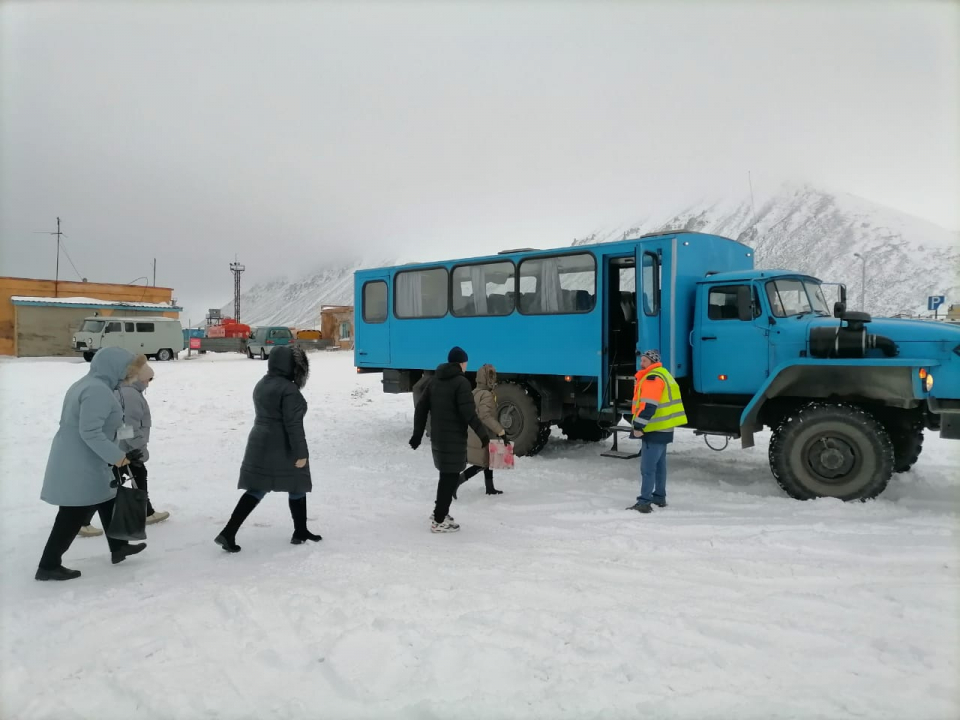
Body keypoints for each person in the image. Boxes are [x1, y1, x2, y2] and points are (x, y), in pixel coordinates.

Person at [36, 348, 149, 581]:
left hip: (84, 457)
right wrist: (118, 457)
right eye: (129, 369)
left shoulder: (91, 384)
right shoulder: (97, 391)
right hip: (81, 461)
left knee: (107, 499)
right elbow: (90, 432)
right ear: (115, 367)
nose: (132, 374)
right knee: (73, 513)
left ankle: (119, 548)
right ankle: (48, 565)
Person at [215, 345, 321, 552]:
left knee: (263, 486)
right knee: (295, 481)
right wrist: (301, 453)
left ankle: (230, 532)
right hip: (281, 444)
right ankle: (230, 532)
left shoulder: (263, 383)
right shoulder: (288, 389)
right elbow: (293, 425)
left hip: (260, 440)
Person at [410, 346, 490, 533]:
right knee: (449, 477)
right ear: (461, 363)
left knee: (445, 475)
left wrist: (417, 434)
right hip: (453, 438)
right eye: (465, 362)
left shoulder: (435, 380)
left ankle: (440, 512)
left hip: (438, 438)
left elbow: (421, 408)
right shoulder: (461, 383)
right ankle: (439, 520)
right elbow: (469, 413)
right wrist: (484, 436)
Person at [626, 349, 688, 514]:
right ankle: (659, 497)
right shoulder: (664, 374)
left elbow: (649, 406)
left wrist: (639, 426)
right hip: (664, 427)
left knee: (647, 468)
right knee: (660, 466)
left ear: (652, 362)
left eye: (644, 361)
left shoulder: (652, 378)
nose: (641, 363)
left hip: (653, 428)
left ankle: (644, 502)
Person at [456, 363, 508, 497]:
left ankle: (489, 487)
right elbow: (485, 416)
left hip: (475, 432)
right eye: (491, 376)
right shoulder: (487, 395)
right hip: (484, 433)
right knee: (481, 463)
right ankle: (457, 482)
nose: (493, 379)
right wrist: (500, 431)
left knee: (488, 460)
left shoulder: (475, 392)